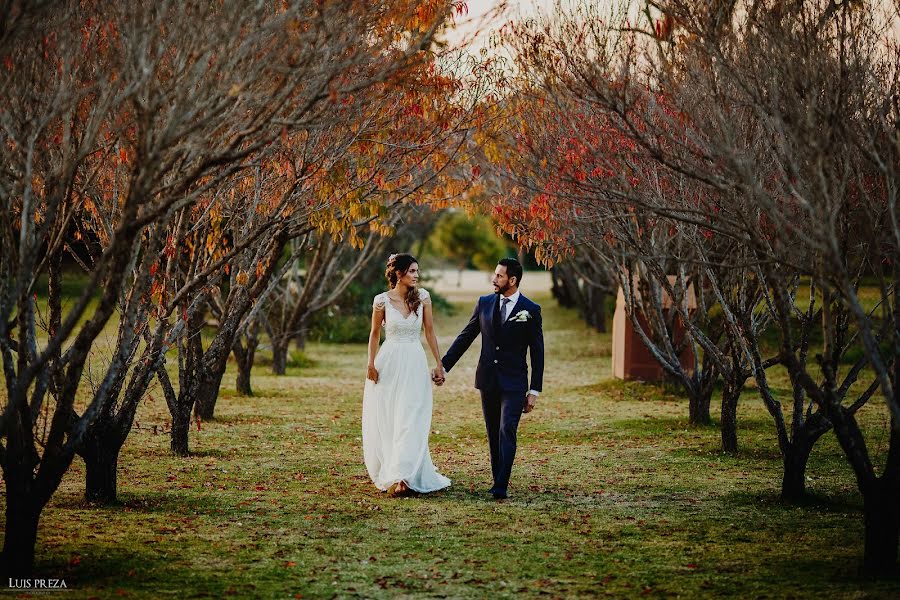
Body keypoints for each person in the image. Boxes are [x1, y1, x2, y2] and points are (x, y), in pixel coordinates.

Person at [438, 257, 544, 500]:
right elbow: (467, 336)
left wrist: (534, 391)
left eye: (499, 276)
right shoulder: (484, 303)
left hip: (515, 382)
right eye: (495, 274)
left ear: (513, 280)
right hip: (488, 379)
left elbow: (537, 352)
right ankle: (497, 478)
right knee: (493, 433)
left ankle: (501, 486)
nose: (494, 279)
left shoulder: (531, 310)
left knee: (508, 429)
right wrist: (444, 365)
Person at [362, 253, 450, 497]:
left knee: (411, 416)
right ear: (398, 273)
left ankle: (406, 477)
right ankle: (397, 473)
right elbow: (374, 334)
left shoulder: (423, 298)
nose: (416, 275)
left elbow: (430, 332)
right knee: (392, 417)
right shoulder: (381, 301)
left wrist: (439, 364)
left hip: (414, 361)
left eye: (417, 271)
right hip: (389, 363)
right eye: (412, 271)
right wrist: (370, 364)